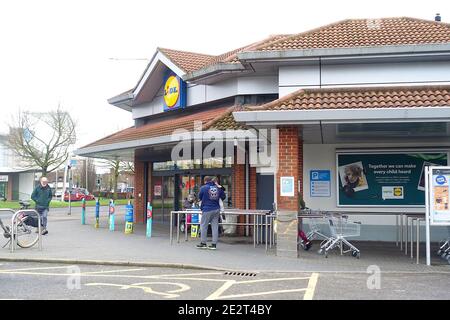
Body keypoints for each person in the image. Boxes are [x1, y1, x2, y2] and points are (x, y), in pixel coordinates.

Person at [196, 176, 225, 250]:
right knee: (215, 227)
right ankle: (214, 244)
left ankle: (203, 243)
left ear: (205, 181)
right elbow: (223, 196)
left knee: (203, 226)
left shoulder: (203, 188)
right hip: (216, 209)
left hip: (207, 209)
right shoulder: (217, 188)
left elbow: (200, 197)